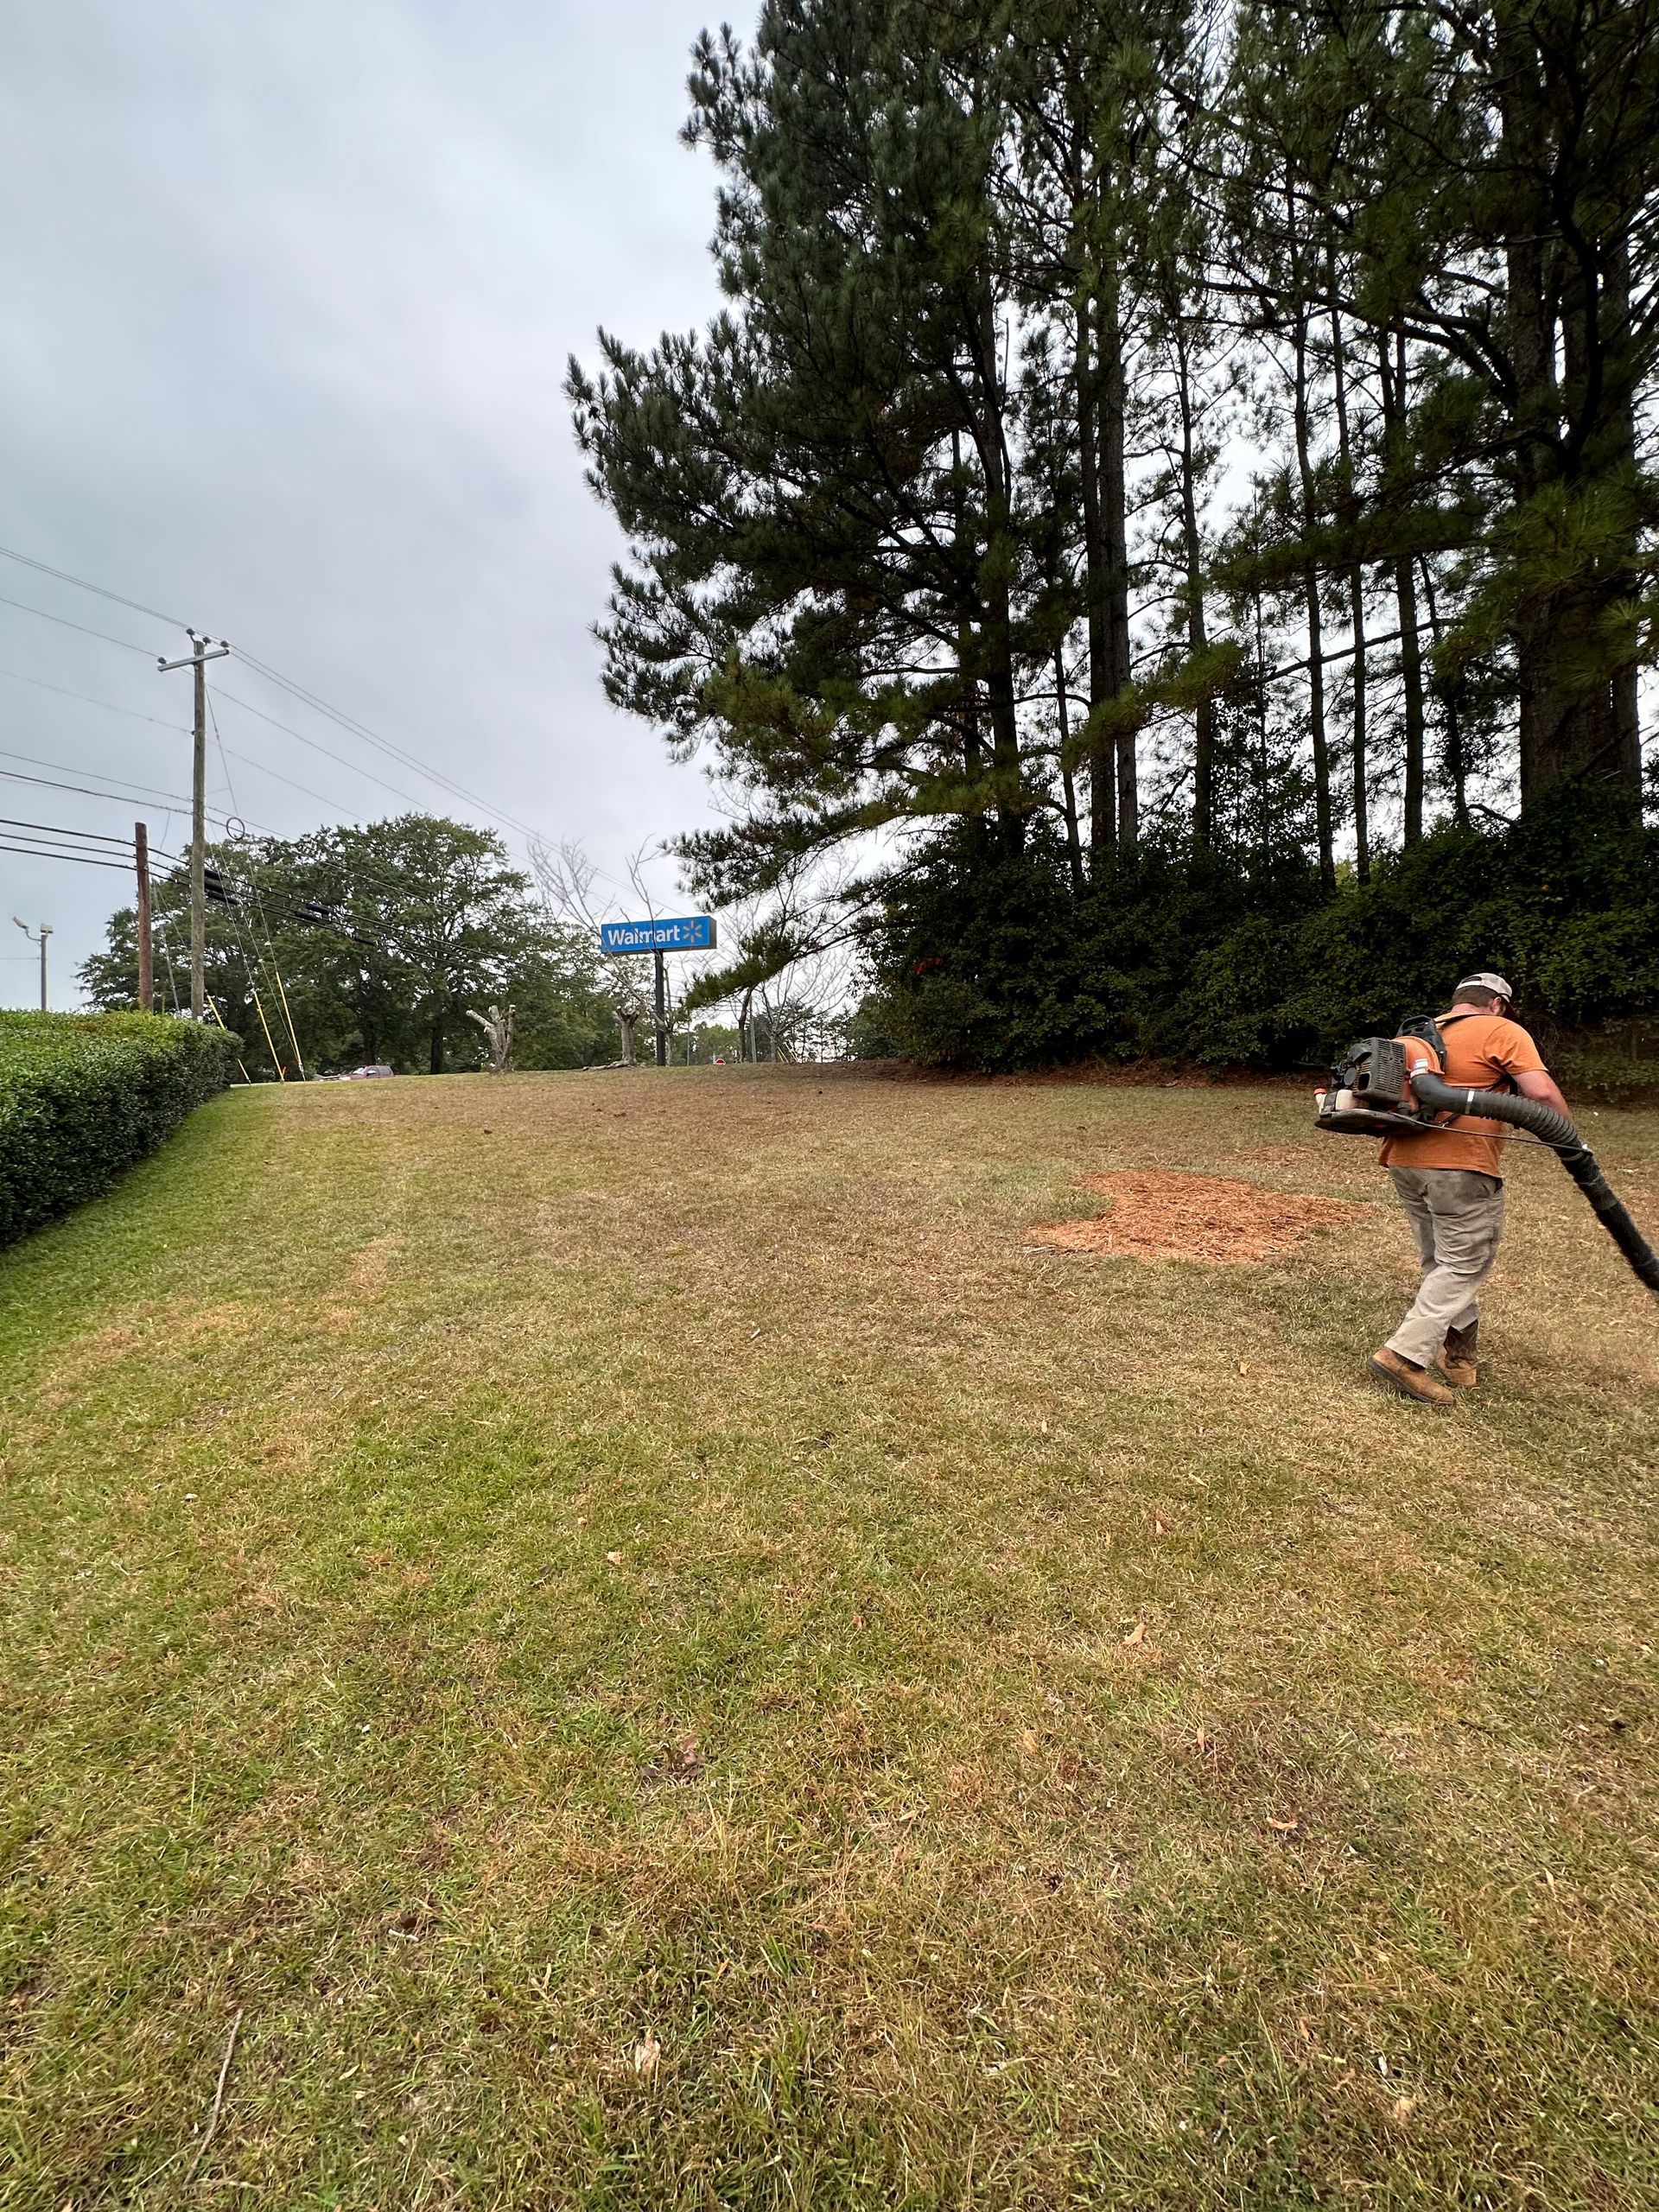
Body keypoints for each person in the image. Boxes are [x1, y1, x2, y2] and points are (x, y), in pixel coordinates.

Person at [1370, 972, 1572, 1408]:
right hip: (1462, 1164)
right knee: (1463, 1264)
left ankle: (1459, 1357)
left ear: (1458, 1000)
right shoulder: (1502, 1030)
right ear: (1497, 1004)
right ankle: (1404, 1356)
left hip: (1404, 1161)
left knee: (1439, 1261)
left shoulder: (1416, 1034)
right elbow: (1540, 1092)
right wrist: (1570, 1137)